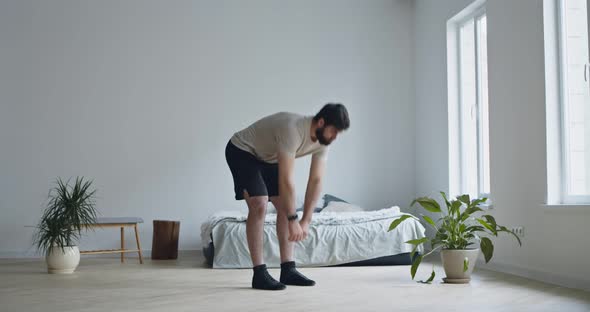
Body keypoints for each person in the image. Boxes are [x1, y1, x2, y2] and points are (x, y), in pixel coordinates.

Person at [224, 103, 350, 290]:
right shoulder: (292, 129)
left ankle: (288, 270)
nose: (335, 137)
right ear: (321, 122)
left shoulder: (323, 142)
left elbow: (316, 180)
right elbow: (286, 180)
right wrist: (293, 220)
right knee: (259, 203)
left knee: (285, 204)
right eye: (334, 131)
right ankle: (259, 273)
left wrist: (306, 220)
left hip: (268, 157)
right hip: (242, 150)